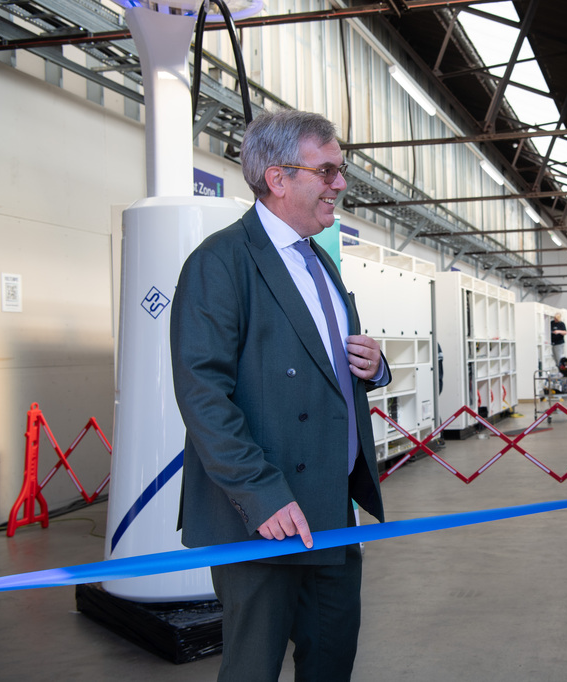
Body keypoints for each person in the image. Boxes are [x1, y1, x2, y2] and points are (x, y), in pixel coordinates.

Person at [170, 110, 390, 681]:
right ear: (278, 178)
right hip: (263, 515)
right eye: (328, 170)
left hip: (331, 508)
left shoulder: (319, 261)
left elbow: (323, 363)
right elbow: (203, 394)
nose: (341, 183)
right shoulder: (220, 262)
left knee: (332, 660)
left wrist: (375, 367)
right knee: (253, 668)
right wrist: (261, 496)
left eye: (340, 170)